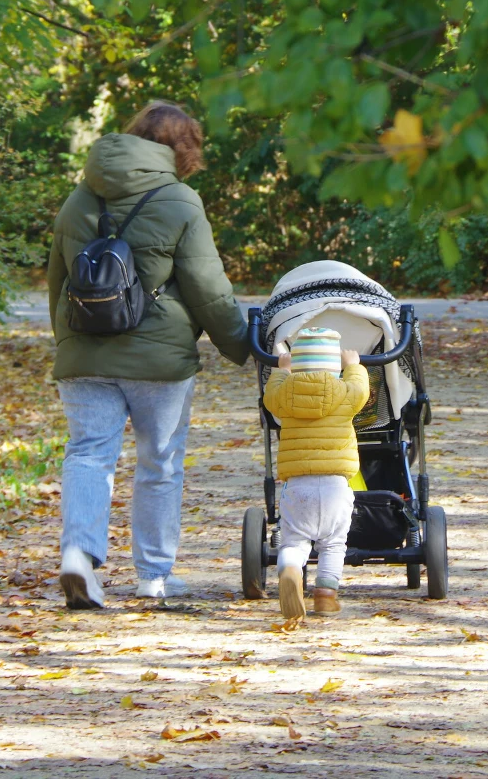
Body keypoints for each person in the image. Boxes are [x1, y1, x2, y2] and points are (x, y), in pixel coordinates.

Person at [47, 101, 249, 607]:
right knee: (159, 463)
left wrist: (68, 343)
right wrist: (243, 344)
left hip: (84, 355)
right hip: (159, 361)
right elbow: (207, 287)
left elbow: (58, 282)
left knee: (89, 453)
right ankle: (154, 576)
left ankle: (78, 555)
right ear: (185, 149)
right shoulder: (180, 200)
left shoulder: (79, 198)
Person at [262, 328, 370, 619]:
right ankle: (325, 596)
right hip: (336, 486)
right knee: (333, 543)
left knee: (294, 541)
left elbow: (270, 397)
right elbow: (361, 390)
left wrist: (282, 371)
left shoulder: (284, 395)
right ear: (335, 366)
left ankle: (290, 569)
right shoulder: (345, 394)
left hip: (298, 486)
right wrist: (353, 366)